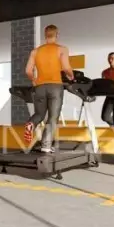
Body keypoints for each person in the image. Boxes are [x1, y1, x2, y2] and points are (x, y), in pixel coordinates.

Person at [24, 25, 74, 153]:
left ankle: (31, 123)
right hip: (55, 86)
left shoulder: (35, 51)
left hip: (40, 87)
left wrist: (34, 80)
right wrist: (71, 76)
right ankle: (46, 146)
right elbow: (66, 67)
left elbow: (28, 70)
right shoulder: (62, 49)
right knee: (52, 117)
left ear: (45, 35)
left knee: (39, 114)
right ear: (57, 34)